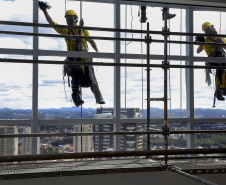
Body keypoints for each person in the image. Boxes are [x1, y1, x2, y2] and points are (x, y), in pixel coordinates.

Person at [39, 7, 105, 107]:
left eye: (70, 18)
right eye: (67, 18)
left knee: (91, 77)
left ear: (75, 18)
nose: (68, 20)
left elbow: (91, 41)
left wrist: (97, 51)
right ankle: (76, 98)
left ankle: (98, 97)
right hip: (73, 58)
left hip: (84, 58)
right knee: (75, 72)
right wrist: (45, 11)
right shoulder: (66, 30)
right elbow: (52, 23)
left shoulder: (83, 31)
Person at [197, 22, 226, 101]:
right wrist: (201, 43)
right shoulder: (205, 40)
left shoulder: (220, 38)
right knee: (219, 68)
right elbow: (198, 51)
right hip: (212, 59)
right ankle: (218, 91)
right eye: (205, 31)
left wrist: (222, 43)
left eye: (207, 30)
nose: (207, 32)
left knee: (221, 67)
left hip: (221, 57)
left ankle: (223, 87)